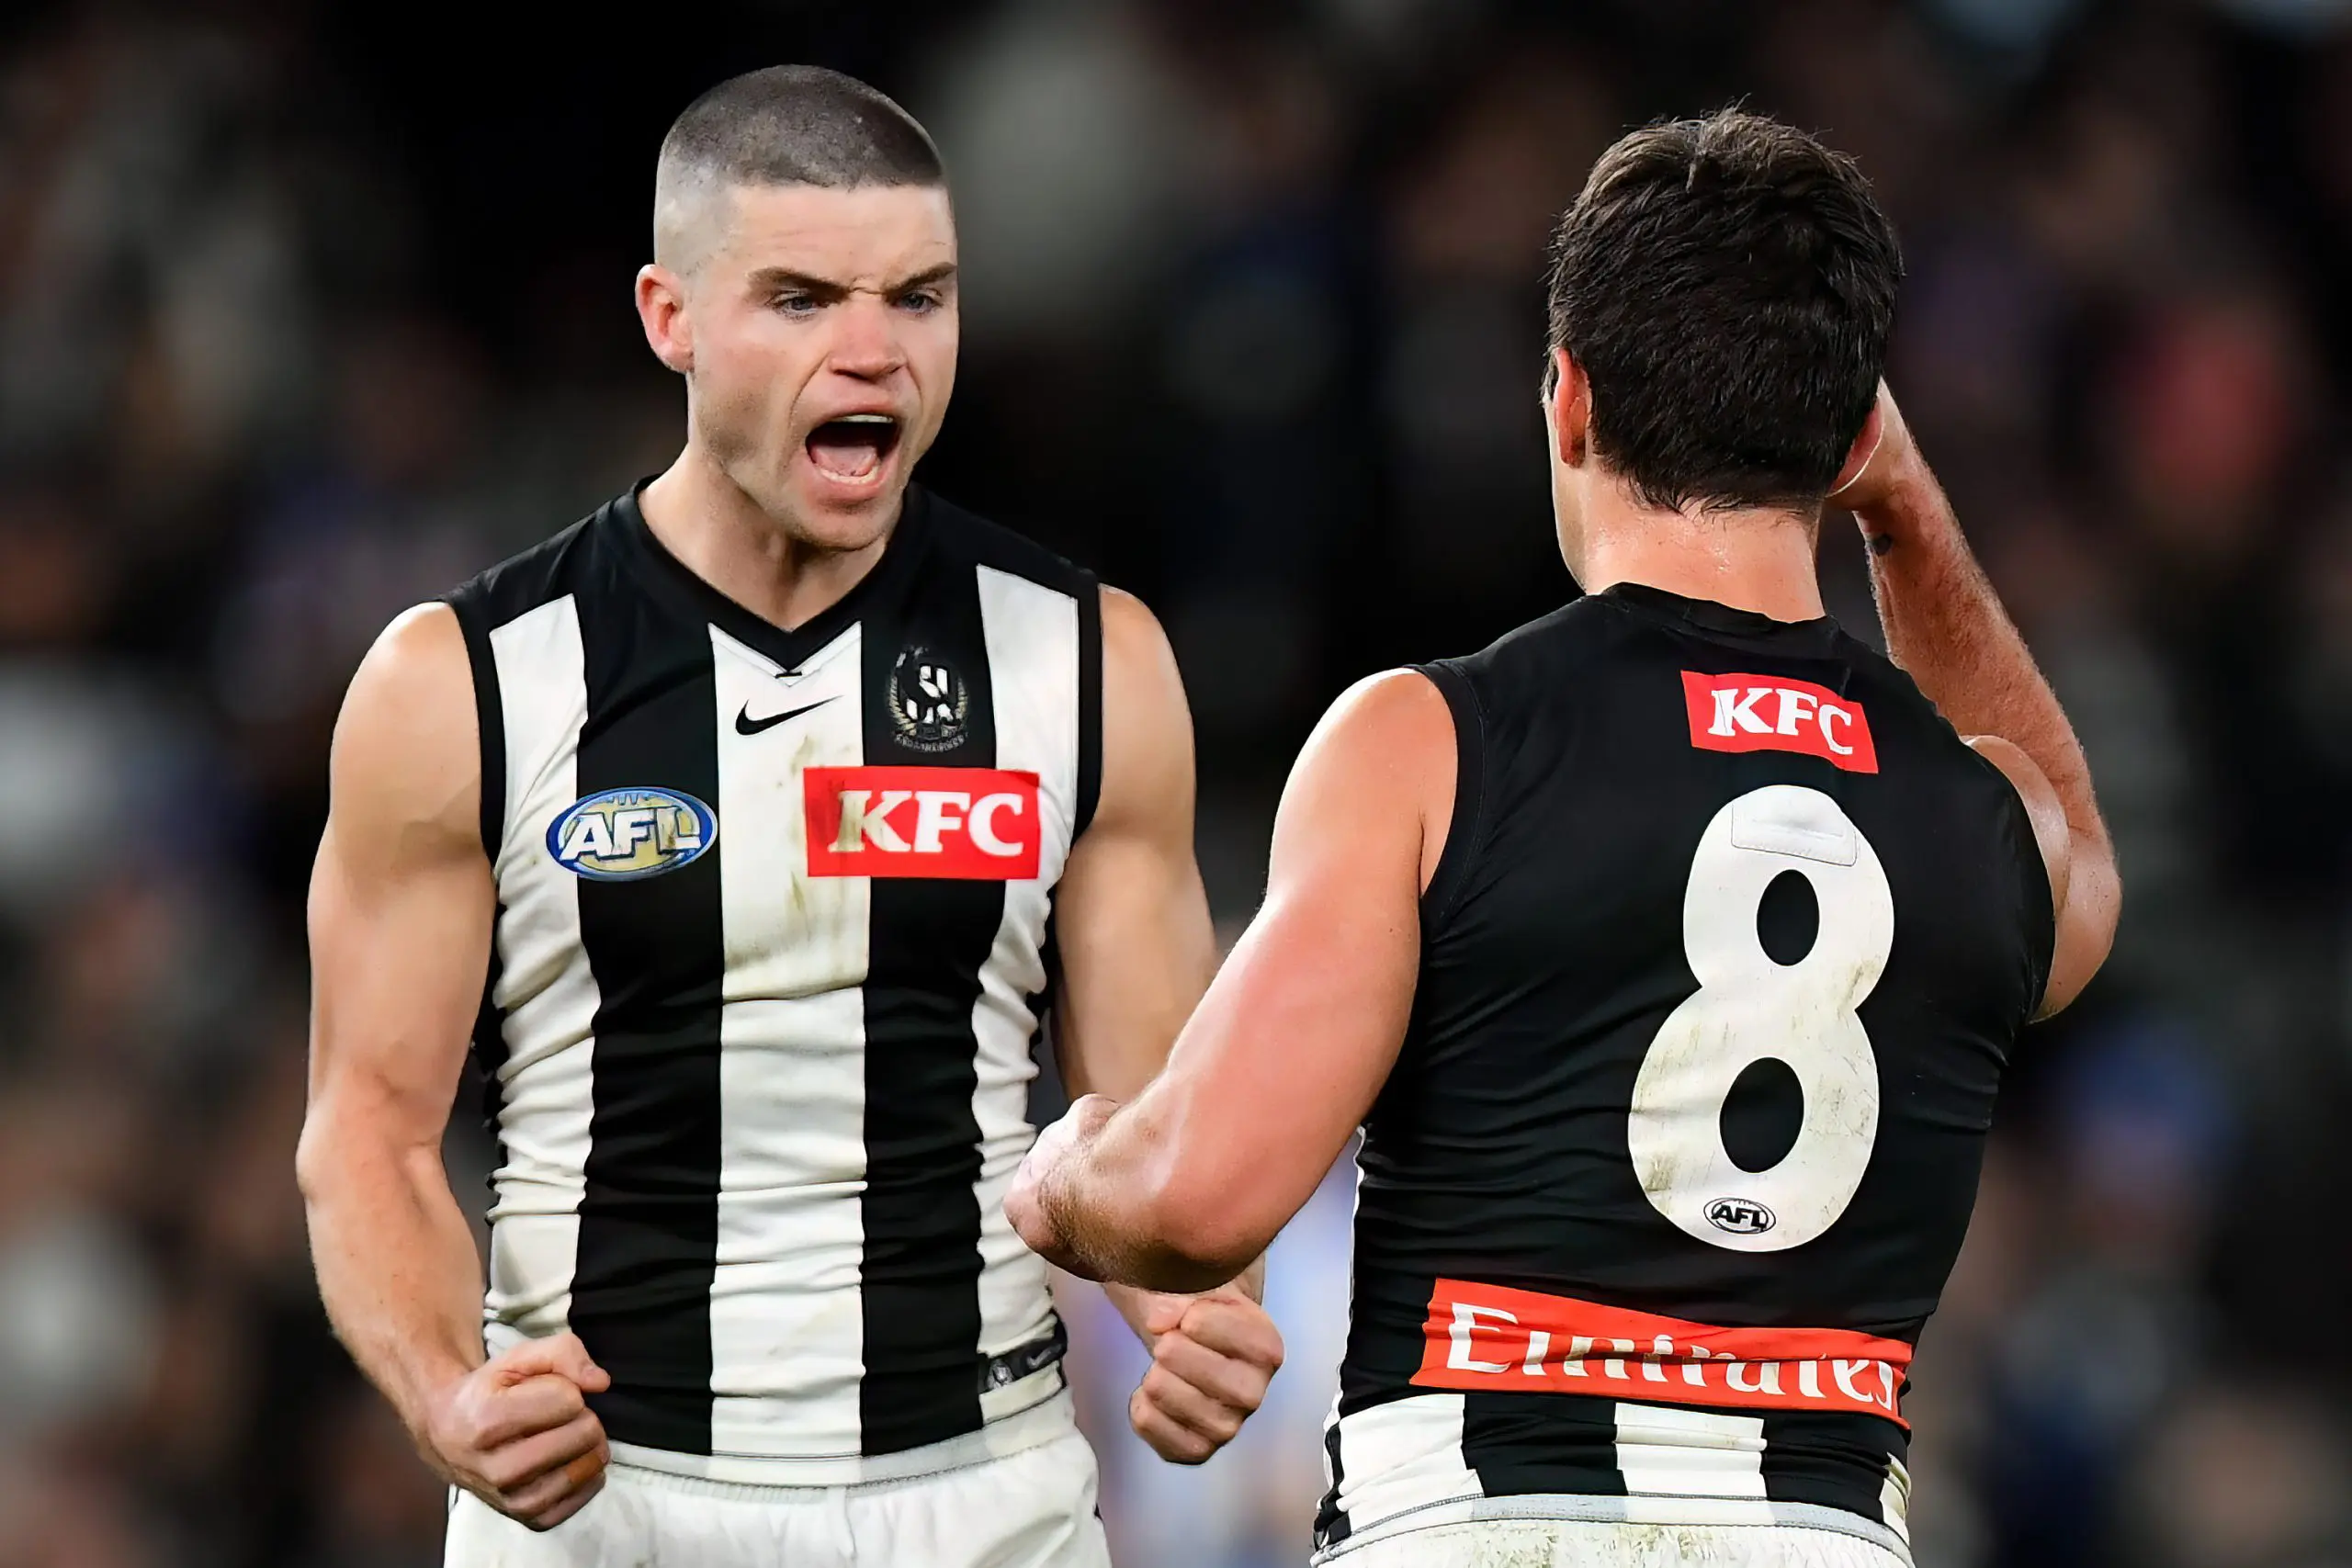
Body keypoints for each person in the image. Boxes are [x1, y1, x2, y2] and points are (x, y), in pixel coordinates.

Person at [1008, 108, 2120, 1567]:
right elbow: (2080, 853)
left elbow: (1194, 1199)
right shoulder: (1989, 818)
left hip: (1479, 1518)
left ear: (1568, 399)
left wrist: (1063, 1172)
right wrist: (1905, 511)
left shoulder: (1427, 741)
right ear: (1851, 438)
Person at [296, 64, 1282, 1568]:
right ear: (667, 316)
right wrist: (446, 1393)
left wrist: (1190, 1305)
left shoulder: (1091, 665)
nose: (876, 353)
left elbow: (1150, 1124)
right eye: (806, 299)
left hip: (982, 1491)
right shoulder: (467, 683)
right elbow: (365, 1126)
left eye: (922, 297)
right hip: (609, 1499)